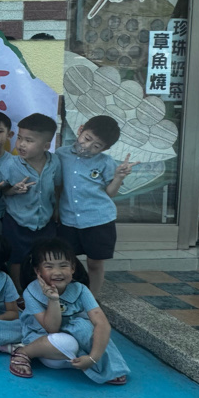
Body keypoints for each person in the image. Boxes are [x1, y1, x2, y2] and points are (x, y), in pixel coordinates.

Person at [8, 238, 129, 384]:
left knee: (87, 328)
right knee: (67, 343)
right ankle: (23, 352)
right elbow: (52, 328)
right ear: (38, 271)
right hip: (48, 344)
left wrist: (93, 358)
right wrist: (53, 299)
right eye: (49, 267)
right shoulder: (31, 292)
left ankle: (99, 363)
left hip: (74, 350)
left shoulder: (81, 289)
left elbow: (102, 323)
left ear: (72, 268)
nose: (57, 272)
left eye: (63, 265)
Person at [56, 116, 137, 295]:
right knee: (65, 261)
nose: (87, 146)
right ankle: (68, 295)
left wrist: (118, 177)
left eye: (96, 146)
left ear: (104, 149)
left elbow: (110, 193)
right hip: (68, 219)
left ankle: (92, 299)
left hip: (98, 220)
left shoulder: (106, 162)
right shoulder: (61, 154)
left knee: (95, 263)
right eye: (87, 138)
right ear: (80, 130)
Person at [0, 113, 62, 294]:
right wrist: (8, 189)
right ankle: (18, 293)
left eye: (29, 140)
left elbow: (58, 186)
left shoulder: (54, 162)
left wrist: (57, 210)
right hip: (17, 222)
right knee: (16, 259)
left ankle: (43, 292)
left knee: (45, 258)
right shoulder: (11, 164)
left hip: (45, 222)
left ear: (46, 146)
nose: (21, 144)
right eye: (19, 138)